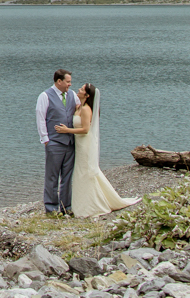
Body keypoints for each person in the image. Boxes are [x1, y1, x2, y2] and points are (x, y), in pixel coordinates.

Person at [53, 82, 140, 218]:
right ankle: (84, 202)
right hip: (79, 145)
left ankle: (91, 205)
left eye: (81, 89)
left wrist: (66, 130)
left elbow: (86, 130)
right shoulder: (79, 107)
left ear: (87, 95)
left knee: (86, 172)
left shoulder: (87, 109)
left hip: (85, 145)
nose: (79, 89)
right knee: (82, 173)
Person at [35, 68, 77, 214]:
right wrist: (46, 139)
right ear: (59, 81)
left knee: (67, 176)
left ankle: (66, 207)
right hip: (54, 142)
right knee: (52, 176)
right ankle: (51, 207)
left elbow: (79, 111)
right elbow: (40, 118)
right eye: (68, 82)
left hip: (70, 143)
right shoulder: (45, 96)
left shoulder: (72, 95)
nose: (70, 85)